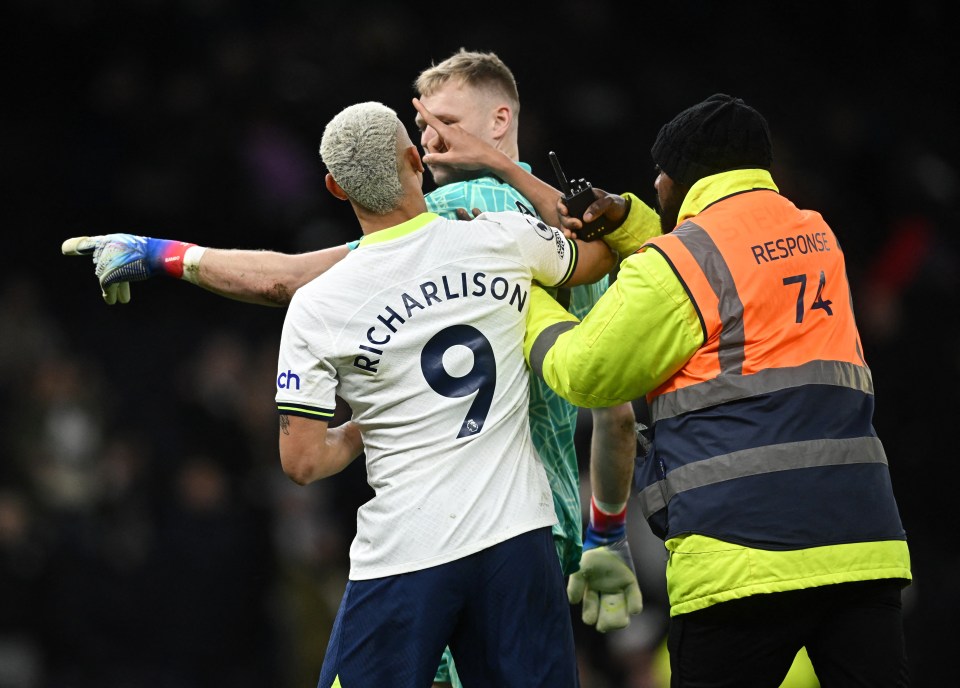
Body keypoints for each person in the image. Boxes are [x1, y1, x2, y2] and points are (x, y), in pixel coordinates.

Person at [62, 49, 647, 686]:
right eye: (421, 126)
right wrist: (607, 532)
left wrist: (165, 255)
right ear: (410, 159)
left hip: (429, 543)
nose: (431, 137)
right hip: (538, 530)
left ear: (501, 118)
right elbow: (614, 409)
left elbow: (287, 282)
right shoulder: (535, 232)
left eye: (444, 120)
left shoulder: (464, 217)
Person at [521, 92, 913, 686]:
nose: (653, 184)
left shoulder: (681, 262)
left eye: (660, 172)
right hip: (862, 550)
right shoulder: (816, 236)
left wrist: (525, 303)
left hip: (742, 559)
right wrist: (631, 225)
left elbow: (586, 371)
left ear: (681, 177)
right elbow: (727, 256)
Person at [288, 100, 619, 685]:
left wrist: (380, 417)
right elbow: (596, 255)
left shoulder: (317, 304)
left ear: (335, 188)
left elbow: (304, 461)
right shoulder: (500, 238)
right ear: (416, 160)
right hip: (517, 537)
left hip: (405, 551)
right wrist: (524, 179)